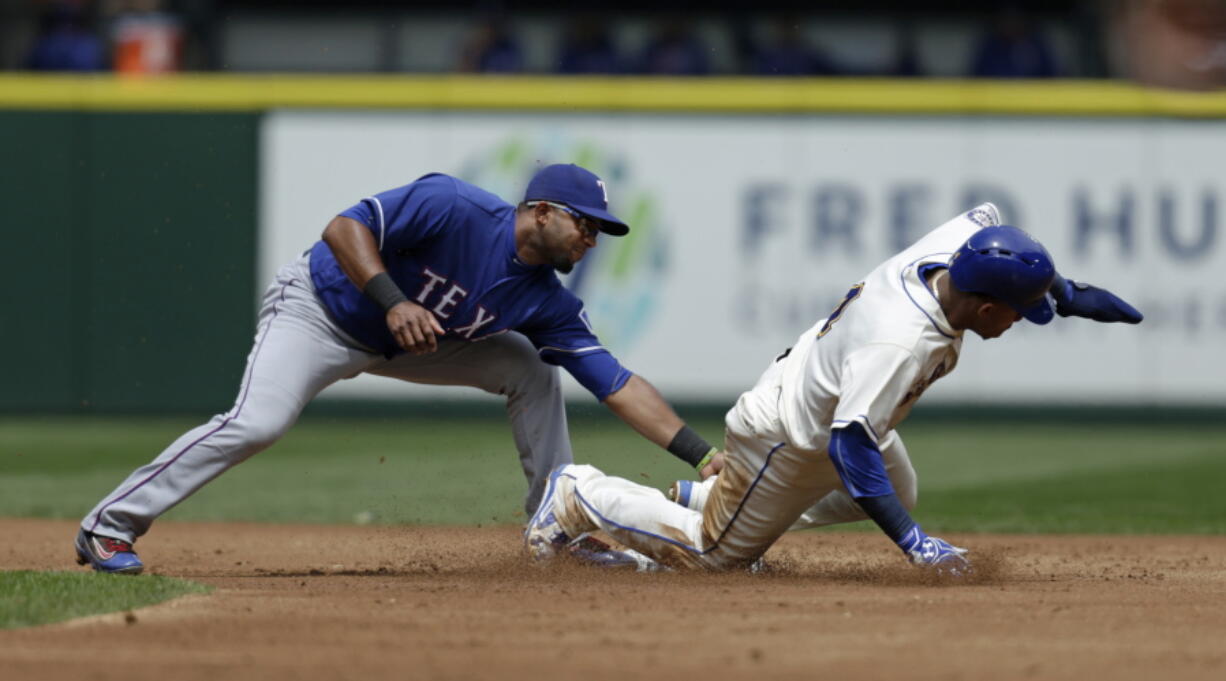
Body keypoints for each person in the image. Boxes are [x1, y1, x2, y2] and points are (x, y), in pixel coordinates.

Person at [75, 163, 721, 575]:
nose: (592, 240)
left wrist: (700, 454)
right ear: (543, 211)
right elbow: (342, 228)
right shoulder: (454, 206)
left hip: (412, 340)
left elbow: (618, 382)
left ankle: (555, 526)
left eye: (600, 232)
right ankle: (108, 526)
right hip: (320, 309)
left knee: (530, 365)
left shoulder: (545, 299)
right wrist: (393, 301)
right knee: (258, 422)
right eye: (586, 224)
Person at [525, 203, 1142, 573]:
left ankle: (708, 499)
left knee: (900, 486)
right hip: (790, 436)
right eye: (1017, 312)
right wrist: (916, 546)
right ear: (984, 310)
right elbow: (850, 447)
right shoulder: (900, 343)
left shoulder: (950, 258)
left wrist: (1061, 290)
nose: (1019, 323)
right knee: (717, 559)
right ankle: (580, 494)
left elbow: (988, 219)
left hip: (818, 391)